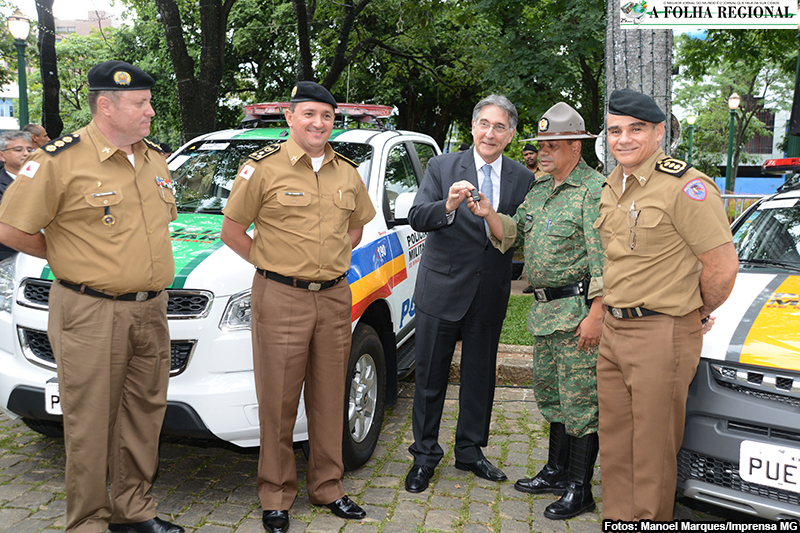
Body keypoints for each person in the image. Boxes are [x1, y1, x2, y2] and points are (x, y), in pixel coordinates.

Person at [0, 61, 182, 533]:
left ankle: (133, 510)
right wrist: (68, 254)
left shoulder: (154, 158)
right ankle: (87, 522)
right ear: (106, 105)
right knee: (90, 422)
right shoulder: (59, 161)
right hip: (91, 311)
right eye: (141, 103)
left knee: (144, 415)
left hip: (151, 308)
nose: (150, 111)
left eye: (148, 102)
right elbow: (11, 229)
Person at [220, 81, 375, 533]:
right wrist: (273, 264)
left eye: (326, 116)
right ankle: (275, 494)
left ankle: (328, 486)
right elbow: (232, 231)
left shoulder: (347, 172)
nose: (318, 123)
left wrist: (327, 262)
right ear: (290, 117)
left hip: (334, 297)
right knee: (279, 400)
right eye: (309, 114)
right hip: (280, 297)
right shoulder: (261, 169)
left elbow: (355, 229)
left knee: (329, 397)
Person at [596, 89, 738, 521]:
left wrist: (694, 313)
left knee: (652, 450)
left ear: (659, 133)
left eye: (635, 129)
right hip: (614, 330)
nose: (623, 139)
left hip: (661, 333)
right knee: (616, 444)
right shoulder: (614, 183)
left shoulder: (686, 187)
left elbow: (722, 267)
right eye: (615, 130)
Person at [404, 94, 533, 493]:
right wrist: (448, 205)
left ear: (511, 134)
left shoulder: (522, 178)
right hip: (441, 290)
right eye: (485, 124)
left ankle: (470, 450)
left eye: (500, 127)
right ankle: (424, 455)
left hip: (489, 292)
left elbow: (520, 234)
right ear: (473, 127)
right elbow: (417, 216)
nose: (490, 133)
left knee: (480, 377)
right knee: (430, 377)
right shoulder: (442, 167)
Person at [511, 103, 603, 519]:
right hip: (546, 314)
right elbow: (514, 231)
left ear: (575, 148)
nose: (542, 152)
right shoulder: (540, 189)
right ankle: (556, 470)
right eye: (541, 145)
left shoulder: (593, 191)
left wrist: (597, 313)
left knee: (581, 403)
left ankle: (580, 488)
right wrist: (485, 213)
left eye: (553, 146)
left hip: (577, 314)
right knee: (554, 397)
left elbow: (604, 260)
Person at [0, 131, 33, 261]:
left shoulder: (45, 181)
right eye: (18, 150)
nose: (26, 154)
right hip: (9, 259)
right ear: (2, 156)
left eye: (29, 149)